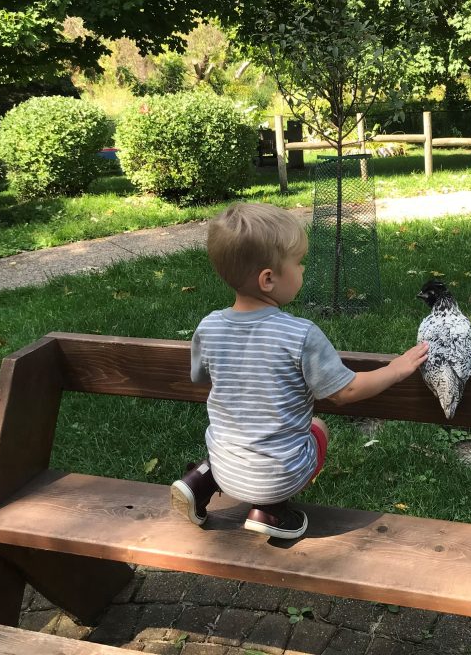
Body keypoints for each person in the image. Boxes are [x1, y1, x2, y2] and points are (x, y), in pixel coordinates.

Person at [170, 202, 428, 540]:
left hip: (224, 462)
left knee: (235, 436)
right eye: (298, 263)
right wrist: (395, 369)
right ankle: (270, 511)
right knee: (317, 427)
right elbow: (345, 391)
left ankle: (199, 480)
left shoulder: (210, 327)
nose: (303, 270)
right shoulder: (300, 335)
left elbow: (200, 377)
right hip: (276, 476)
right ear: (268, 279)